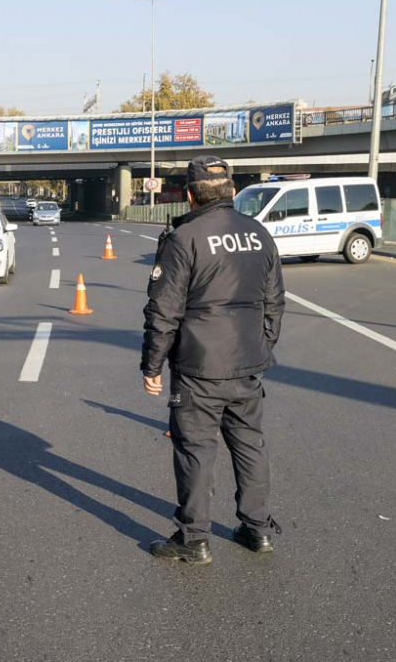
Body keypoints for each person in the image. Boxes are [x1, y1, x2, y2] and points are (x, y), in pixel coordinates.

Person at [141, 155, 285, 565]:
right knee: (250, 445)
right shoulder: (259, 234)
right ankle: (257, 530)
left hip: (198, 367)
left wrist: (152, 365)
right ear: (233, 192)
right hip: (248, 362)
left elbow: (163, 310)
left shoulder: (184, 239)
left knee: (196, 450)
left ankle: (194, 539)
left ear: (188, 195)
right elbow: (275, 301)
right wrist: (263, 344)